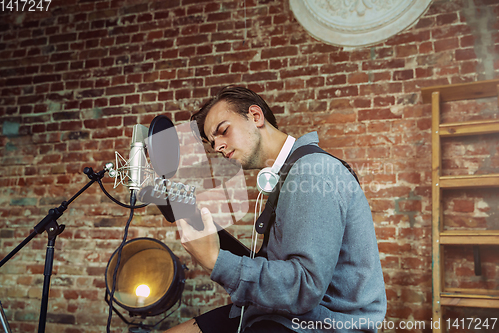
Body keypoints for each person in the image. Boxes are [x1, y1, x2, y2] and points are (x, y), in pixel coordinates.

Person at [165, 86, 387, 333]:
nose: (218, 146)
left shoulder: (313, 172)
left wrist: (216, 260)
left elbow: (305, 287)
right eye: (213, 142)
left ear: (256, 116)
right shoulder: (288, 174)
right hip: (283, 314)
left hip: (323, 323)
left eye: (223, 131)